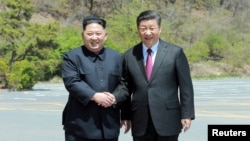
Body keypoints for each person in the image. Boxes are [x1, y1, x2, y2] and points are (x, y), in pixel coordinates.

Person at [123, 10, 195, 141]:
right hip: (140, 119)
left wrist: (187, 114)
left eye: (152, 28)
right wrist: (125, 115)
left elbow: (186, 87)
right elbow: (126, 89)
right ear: (138, 30)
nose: (148, 32)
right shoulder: (129, 55)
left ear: (160, 29)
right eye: (143, 28)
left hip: (168, 118)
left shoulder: (175, 53)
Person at [61, 15, 131, 141]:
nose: (94, 37)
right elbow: (72, 82)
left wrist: (120, 105)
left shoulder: (117, 57)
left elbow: (124, 84)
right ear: (83, 35)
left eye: (98, 33)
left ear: (105, 35)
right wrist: (94, 96)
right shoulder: (72, 57)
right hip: (79, 126)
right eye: (90, 34)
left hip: (109, 125)